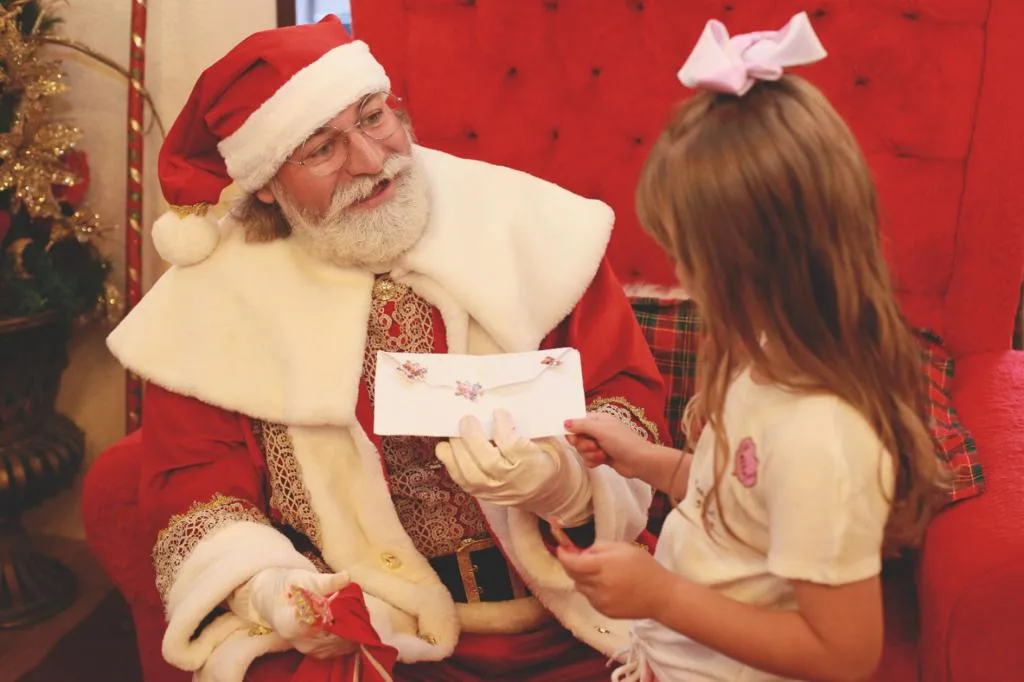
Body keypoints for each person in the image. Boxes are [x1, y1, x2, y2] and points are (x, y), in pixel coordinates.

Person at [105, 14, 668, 682]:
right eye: (320, 149)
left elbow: (626, 404)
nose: (372, 162)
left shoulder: (531, 226)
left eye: (374, 117)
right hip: (365, 634)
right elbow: (195, 491)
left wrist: (566, 486)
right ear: (265, 185)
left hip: (570, 612)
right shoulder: (215, 301)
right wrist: (272, 592)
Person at [556, 12, 951, 682]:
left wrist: (662, 595)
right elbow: (735, 503)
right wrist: (646, 461)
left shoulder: (823, 437)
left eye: (691, 259)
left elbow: (845, 655)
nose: (680, 278)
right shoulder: (765, 353)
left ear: (760, 266)